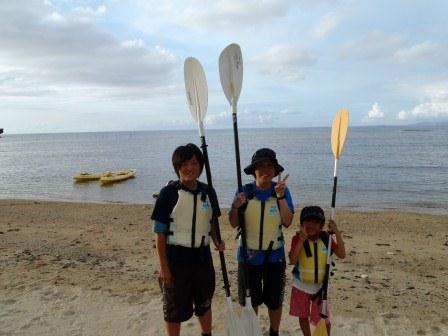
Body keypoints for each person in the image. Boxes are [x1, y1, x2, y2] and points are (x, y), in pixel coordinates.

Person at [151, 143, 225, 336]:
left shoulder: (208, 191)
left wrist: (218, 240)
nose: (190, 168)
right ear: (177, 167)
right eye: (184, 164)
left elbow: (212, 220)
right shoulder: (168, 193)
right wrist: (164, 267)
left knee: (204, 303)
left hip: (202, 257)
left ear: (200, 165)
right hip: (176, 259)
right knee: (174, 309)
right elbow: (159, 233)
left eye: (194, 163)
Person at [229, 148, 294, 336]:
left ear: (275, 170)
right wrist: (235, 206)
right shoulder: (245, 191)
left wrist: (280, 197)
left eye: (269, 166)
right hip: (248, 257)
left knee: (275, 301)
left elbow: (288, 222)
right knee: (251, 301)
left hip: (275, 256)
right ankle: (251, 331)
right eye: (261, 166)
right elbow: (233, 223)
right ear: (253, 171)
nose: (265, 170)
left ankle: (274, 332)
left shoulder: (282, 191)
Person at [289, 206, 346, 336]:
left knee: (325, 319)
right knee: (302, 315)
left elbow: (342, 254)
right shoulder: (297, 239)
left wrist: (336, 232)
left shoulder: (327, 239)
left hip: (320, 288)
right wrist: (302, 240)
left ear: (321, 225)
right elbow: (292, 260)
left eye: (316, 222)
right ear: (301, 224)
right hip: (300, 286)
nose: (311, 225)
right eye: (307, 222)